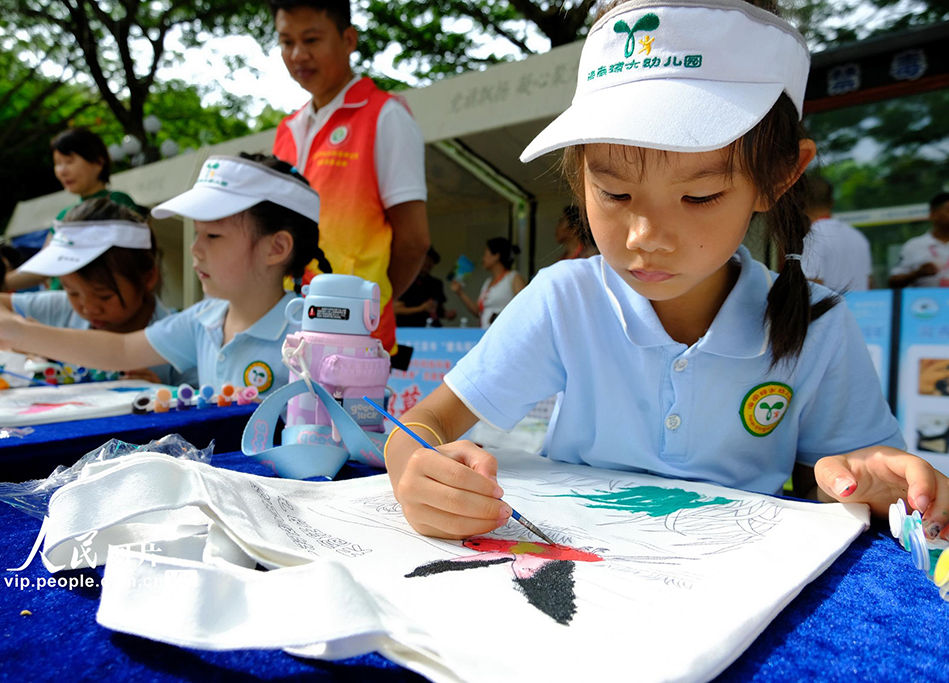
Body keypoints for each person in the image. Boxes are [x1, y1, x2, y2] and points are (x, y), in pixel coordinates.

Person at [383, 0, 949, 543]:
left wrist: (867, 487)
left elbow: (830, 488)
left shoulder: (819, 327)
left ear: (779, 176)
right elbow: (425, 422)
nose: (644, 238)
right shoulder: (564, 300)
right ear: (579, 177)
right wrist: (419, 468)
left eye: (699, 196)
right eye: (615, 192)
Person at [0, 154, 326, 394]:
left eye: (213, 236)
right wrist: (18, 332)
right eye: (196, 234)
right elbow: (120, 350)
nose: (195, 249)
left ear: (276, 248)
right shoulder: (204, 319)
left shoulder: (314, 335)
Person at [270, 0, 431, 353]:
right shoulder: (287, 130)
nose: (297, 55)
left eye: (311, 40)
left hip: (355, 345)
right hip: (286, 333)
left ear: (348, 40)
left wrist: (365, 306)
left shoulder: (386, 116)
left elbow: (414, 241)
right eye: (286, 42)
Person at [0, 198, 181, 384]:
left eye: (104, 296)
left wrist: (165, 393)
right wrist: (20, 329)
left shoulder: (177, 337)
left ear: (148, 278)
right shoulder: (62, 308)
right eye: (72, 292)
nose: (88, 308)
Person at [5, 127, 141, 292]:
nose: (62, 171)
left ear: (98, 162)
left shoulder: (117, 202)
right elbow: (43, 267)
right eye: (57, 164)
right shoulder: (63, 215)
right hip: (60, 298)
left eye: (69, 162)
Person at [798, 176, 871, 291]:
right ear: (832, 202)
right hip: (859, 303)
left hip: (829, 303)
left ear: (800, 203)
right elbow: (869, 282)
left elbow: (811, 289)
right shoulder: (857, 236)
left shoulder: (812, 237)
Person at [450, 238, 526, 328]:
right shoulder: (488, 282)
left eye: (485, 254)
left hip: (504, 332)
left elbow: (525, 307)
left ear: (496, 256)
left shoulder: (513, 278)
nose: (483, 258)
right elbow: (478, 311)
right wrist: (460, 292)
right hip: (486, 331)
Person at [888, 192, 949, 288]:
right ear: (933, 214)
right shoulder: (914, 246)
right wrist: (917, 274)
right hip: (926, 298)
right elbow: (893, 282)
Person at [395, 247, 456, 327]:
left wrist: (447, 314)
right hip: (410, 328)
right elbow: (396, 309)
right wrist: (420, 308)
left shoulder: (436, 283)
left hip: (433, 328)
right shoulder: (406, 282)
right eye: (426, 259)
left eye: (432, 261)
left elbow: (439, 308)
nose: (429, 263)